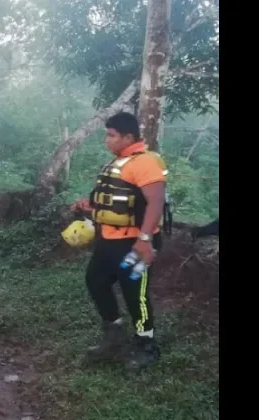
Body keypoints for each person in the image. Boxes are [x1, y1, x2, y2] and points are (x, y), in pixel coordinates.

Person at [70, 112, 169, 370]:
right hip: (109, 240)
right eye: (107, 134)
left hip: (134, 243)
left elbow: (155, 202)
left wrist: (145, 240)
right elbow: (117, 202)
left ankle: (146, 345)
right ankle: (113, 333)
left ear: (128, 136)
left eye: (111, 135)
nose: (107, 140)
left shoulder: (146, 162)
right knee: (95, 281)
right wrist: (88, 207)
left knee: (135, 293)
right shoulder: (118, 163)